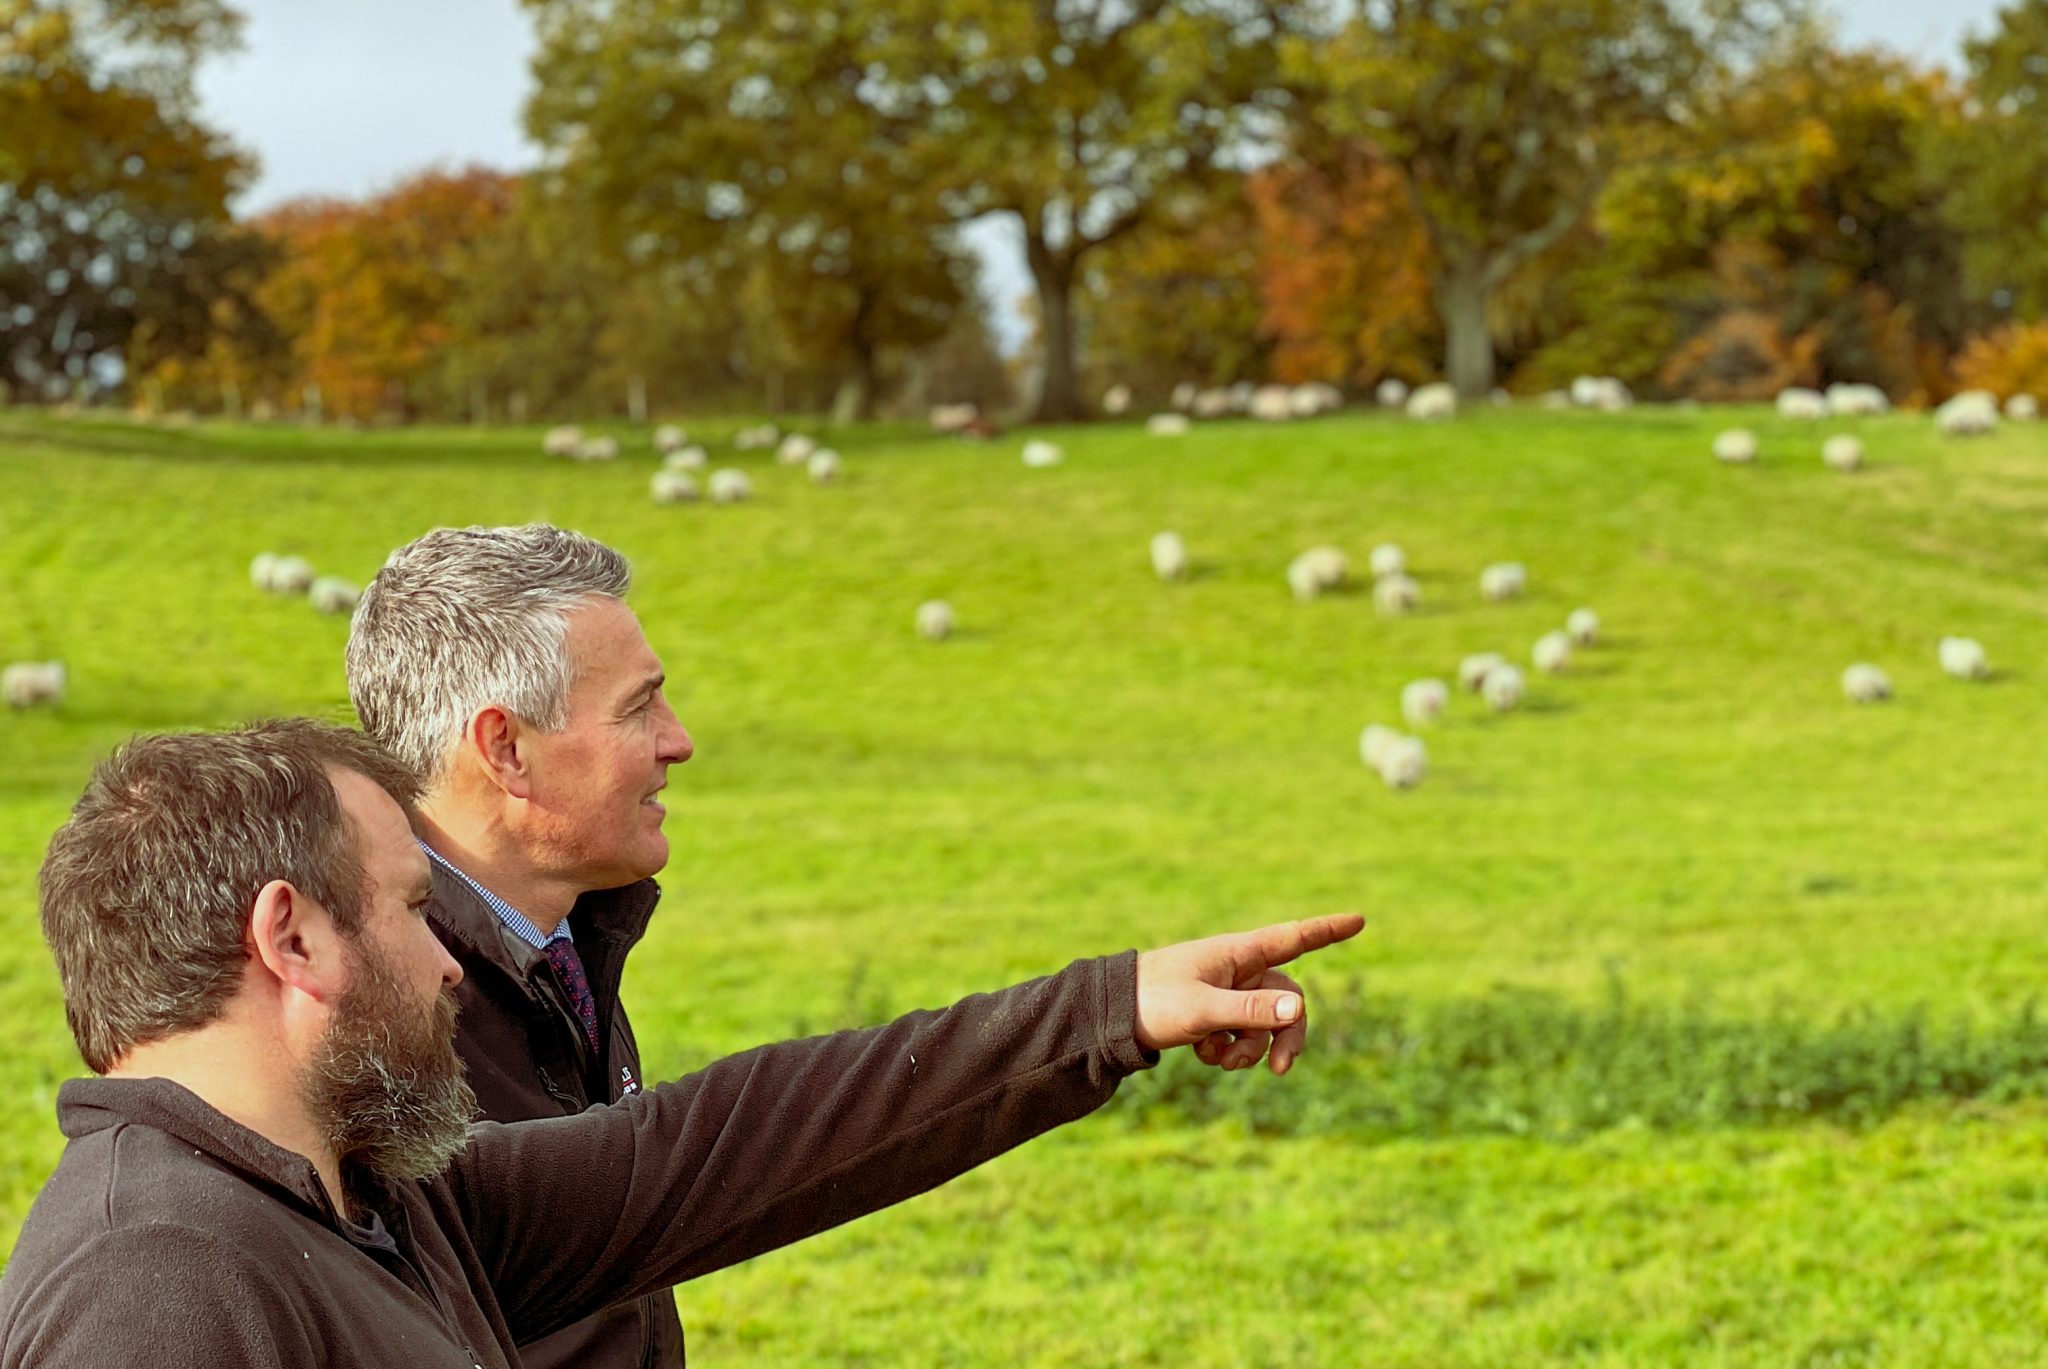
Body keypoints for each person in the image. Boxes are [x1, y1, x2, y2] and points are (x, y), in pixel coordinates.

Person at [0, 719, 1362, 1367]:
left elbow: (719, 1149)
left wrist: (1110, 1010)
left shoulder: (380, 1200)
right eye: (416, 912)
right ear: (289, 938)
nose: (441, 962)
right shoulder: (159, 1279)